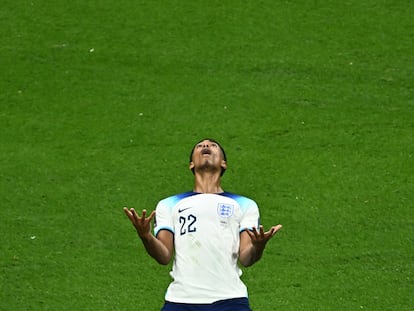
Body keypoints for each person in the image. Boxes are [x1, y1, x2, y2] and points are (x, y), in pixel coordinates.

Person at [124, 139, 282, 311]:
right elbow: (164, 256)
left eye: (213, 145)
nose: (206, 146)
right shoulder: (168, 205)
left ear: (224, 163)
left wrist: (259, 246)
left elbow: (246, 258)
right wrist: (145, 236)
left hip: (230, 299)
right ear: (191, 164)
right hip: (181, 300)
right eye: (200, 146)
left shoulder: (245, 205)